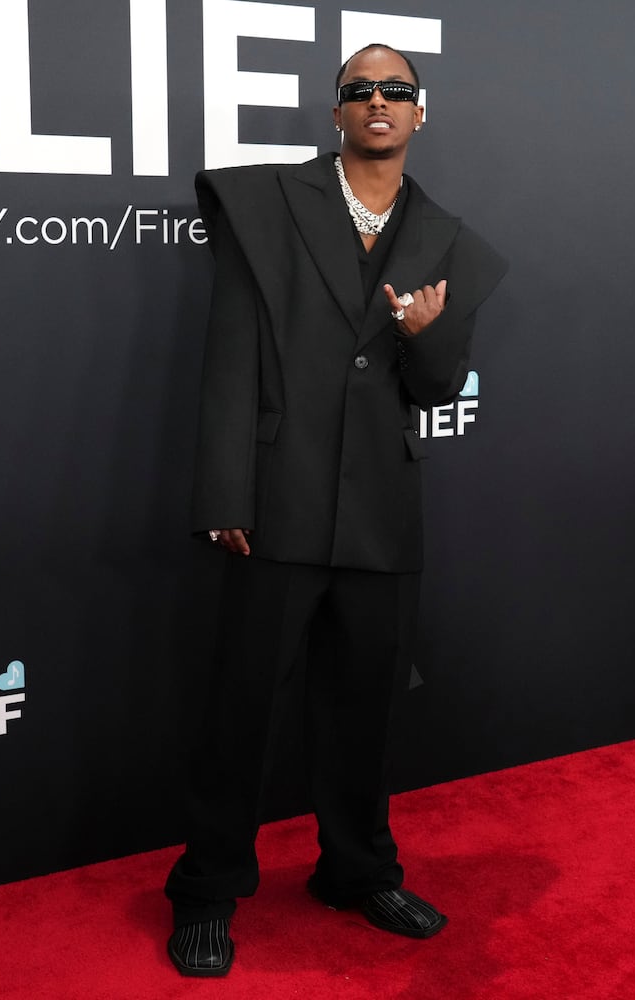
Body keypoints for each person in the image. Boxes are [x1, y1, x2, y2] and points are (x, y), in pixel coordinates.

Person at [163, 43, 508, 977]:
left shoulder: (448, 239)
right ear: (338, 111)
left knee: (364, 711)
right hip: (276, 500)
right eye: (362, 90)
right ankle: (206, 888)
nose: (380, 102)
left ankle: (357, 871)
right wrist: (224, 492)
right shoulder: (266, 204)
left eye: (397, 90)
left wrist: (428, 342)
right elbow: (231, 351)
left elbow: (433, 391)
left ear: (420, 112)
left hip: (381, 513)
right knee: (242, 708)